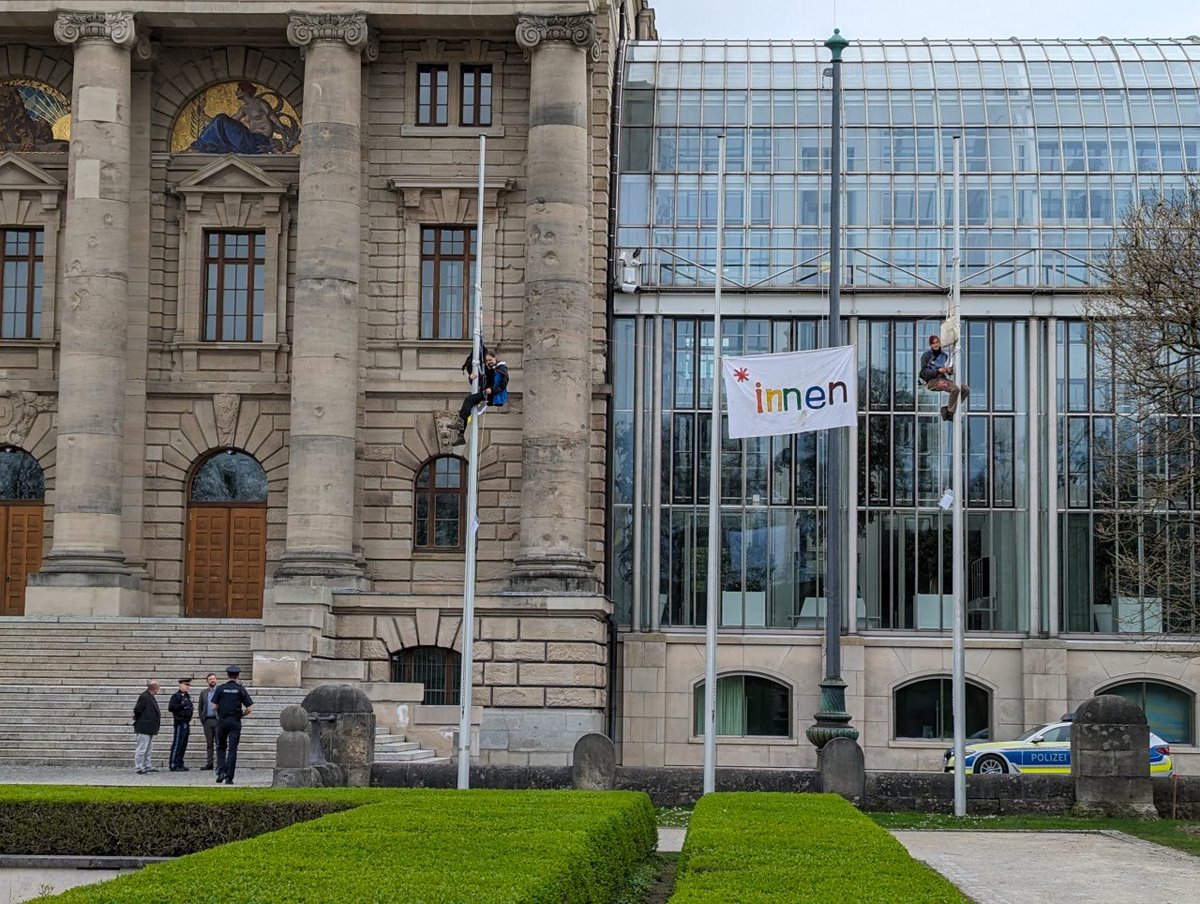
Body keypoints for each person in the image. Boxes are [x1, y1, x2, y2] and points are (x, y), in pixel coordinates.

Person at [189, 82, 296, 154]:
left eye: (238, 90)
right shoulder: (244, 108)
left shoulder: (260, 103)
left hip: (259, 140)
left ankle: (198, 146)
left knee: (221, 118)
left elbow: (273, 118)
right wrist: (205, 117)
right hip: (249, 138)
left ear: (245, 91)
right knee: (221, 118)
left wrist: (286, 135)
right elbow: (226, 122)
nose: (236, 92)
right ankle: (200, 145)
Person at [453, 349, 509, 445]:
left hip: (491, 396)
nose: (488, 362)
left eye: (490, 360)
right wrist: (471, 377)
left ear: (495, 358)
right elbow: (481, 380)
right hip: (486, 392)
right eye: (487, 360)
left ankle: (460, 424)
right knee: (466, 408)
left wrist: (492, 390)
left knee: (469, 399)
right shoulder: (489, 369)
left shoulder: (501, 369)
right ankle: (461, 435)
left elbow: (503, 385)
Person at [214, 665, 254, 785]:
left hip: (222, 722)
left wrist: (220, 713)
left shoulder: (221, 688)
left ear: (227, 675)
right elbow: (250, 708)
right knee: (232, 750)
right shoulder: (240, 689)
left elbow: (213, 706)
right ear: (238, 676)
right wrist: (242, 715)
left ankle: (221, 770)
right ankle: (229, 777)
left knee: (221, 747)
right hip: (235, 722)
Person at [919, 334, 969, 422]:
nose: (935, 344)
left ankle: (947, 409)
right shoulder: (926, 356)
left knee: (965, 389)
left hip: (943, 378)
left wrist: (949, 370)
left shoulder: (945, 356)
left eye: (937, 342)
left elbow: (950, 370)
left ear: (939, 343)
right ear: (930, 345)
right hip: (932, 381)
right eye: (933, 343)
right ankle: (950, 413)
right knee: (955, 389)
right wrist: (938, 371)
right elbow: (923, 373)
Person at [132, 680, 161, 775]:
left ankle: (147, 766)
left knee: (148, 749)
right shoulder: (144, 697)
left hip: (149, 727)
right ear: (155, 688)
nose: (158, 690)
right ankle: (139, 767)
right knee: (142, 748)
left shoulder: (150, 696)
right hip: (144, 727)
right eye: (158, 688)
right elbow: (137, 710)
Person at [167, 678, 194, 772]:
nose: (187, 687)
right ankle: (173, 764)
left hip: (186, 722)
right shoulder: (176, 696)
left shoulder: (187, 697)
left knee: (183, 745)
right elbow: (171, 708)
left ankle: (180, 763)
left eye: (188, 685)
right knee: (177, 744)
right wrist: (181, 705)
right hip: (179, 722)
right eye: (186, 685)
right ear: (180, 685)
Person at [197, 672, 220, 770]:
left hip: (218, 720)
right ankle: (209, 763)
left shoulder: (220, 691)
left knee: (219, 742)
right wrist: (203, 719)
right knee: (209, 743)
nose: (212, 680)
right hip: (208, 720)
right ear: (207, 681)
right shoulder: (204, 693)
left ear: (216, 680)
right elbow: (200, 707)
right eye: (210, 679)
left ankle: (220, 763)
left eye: (214, 678)